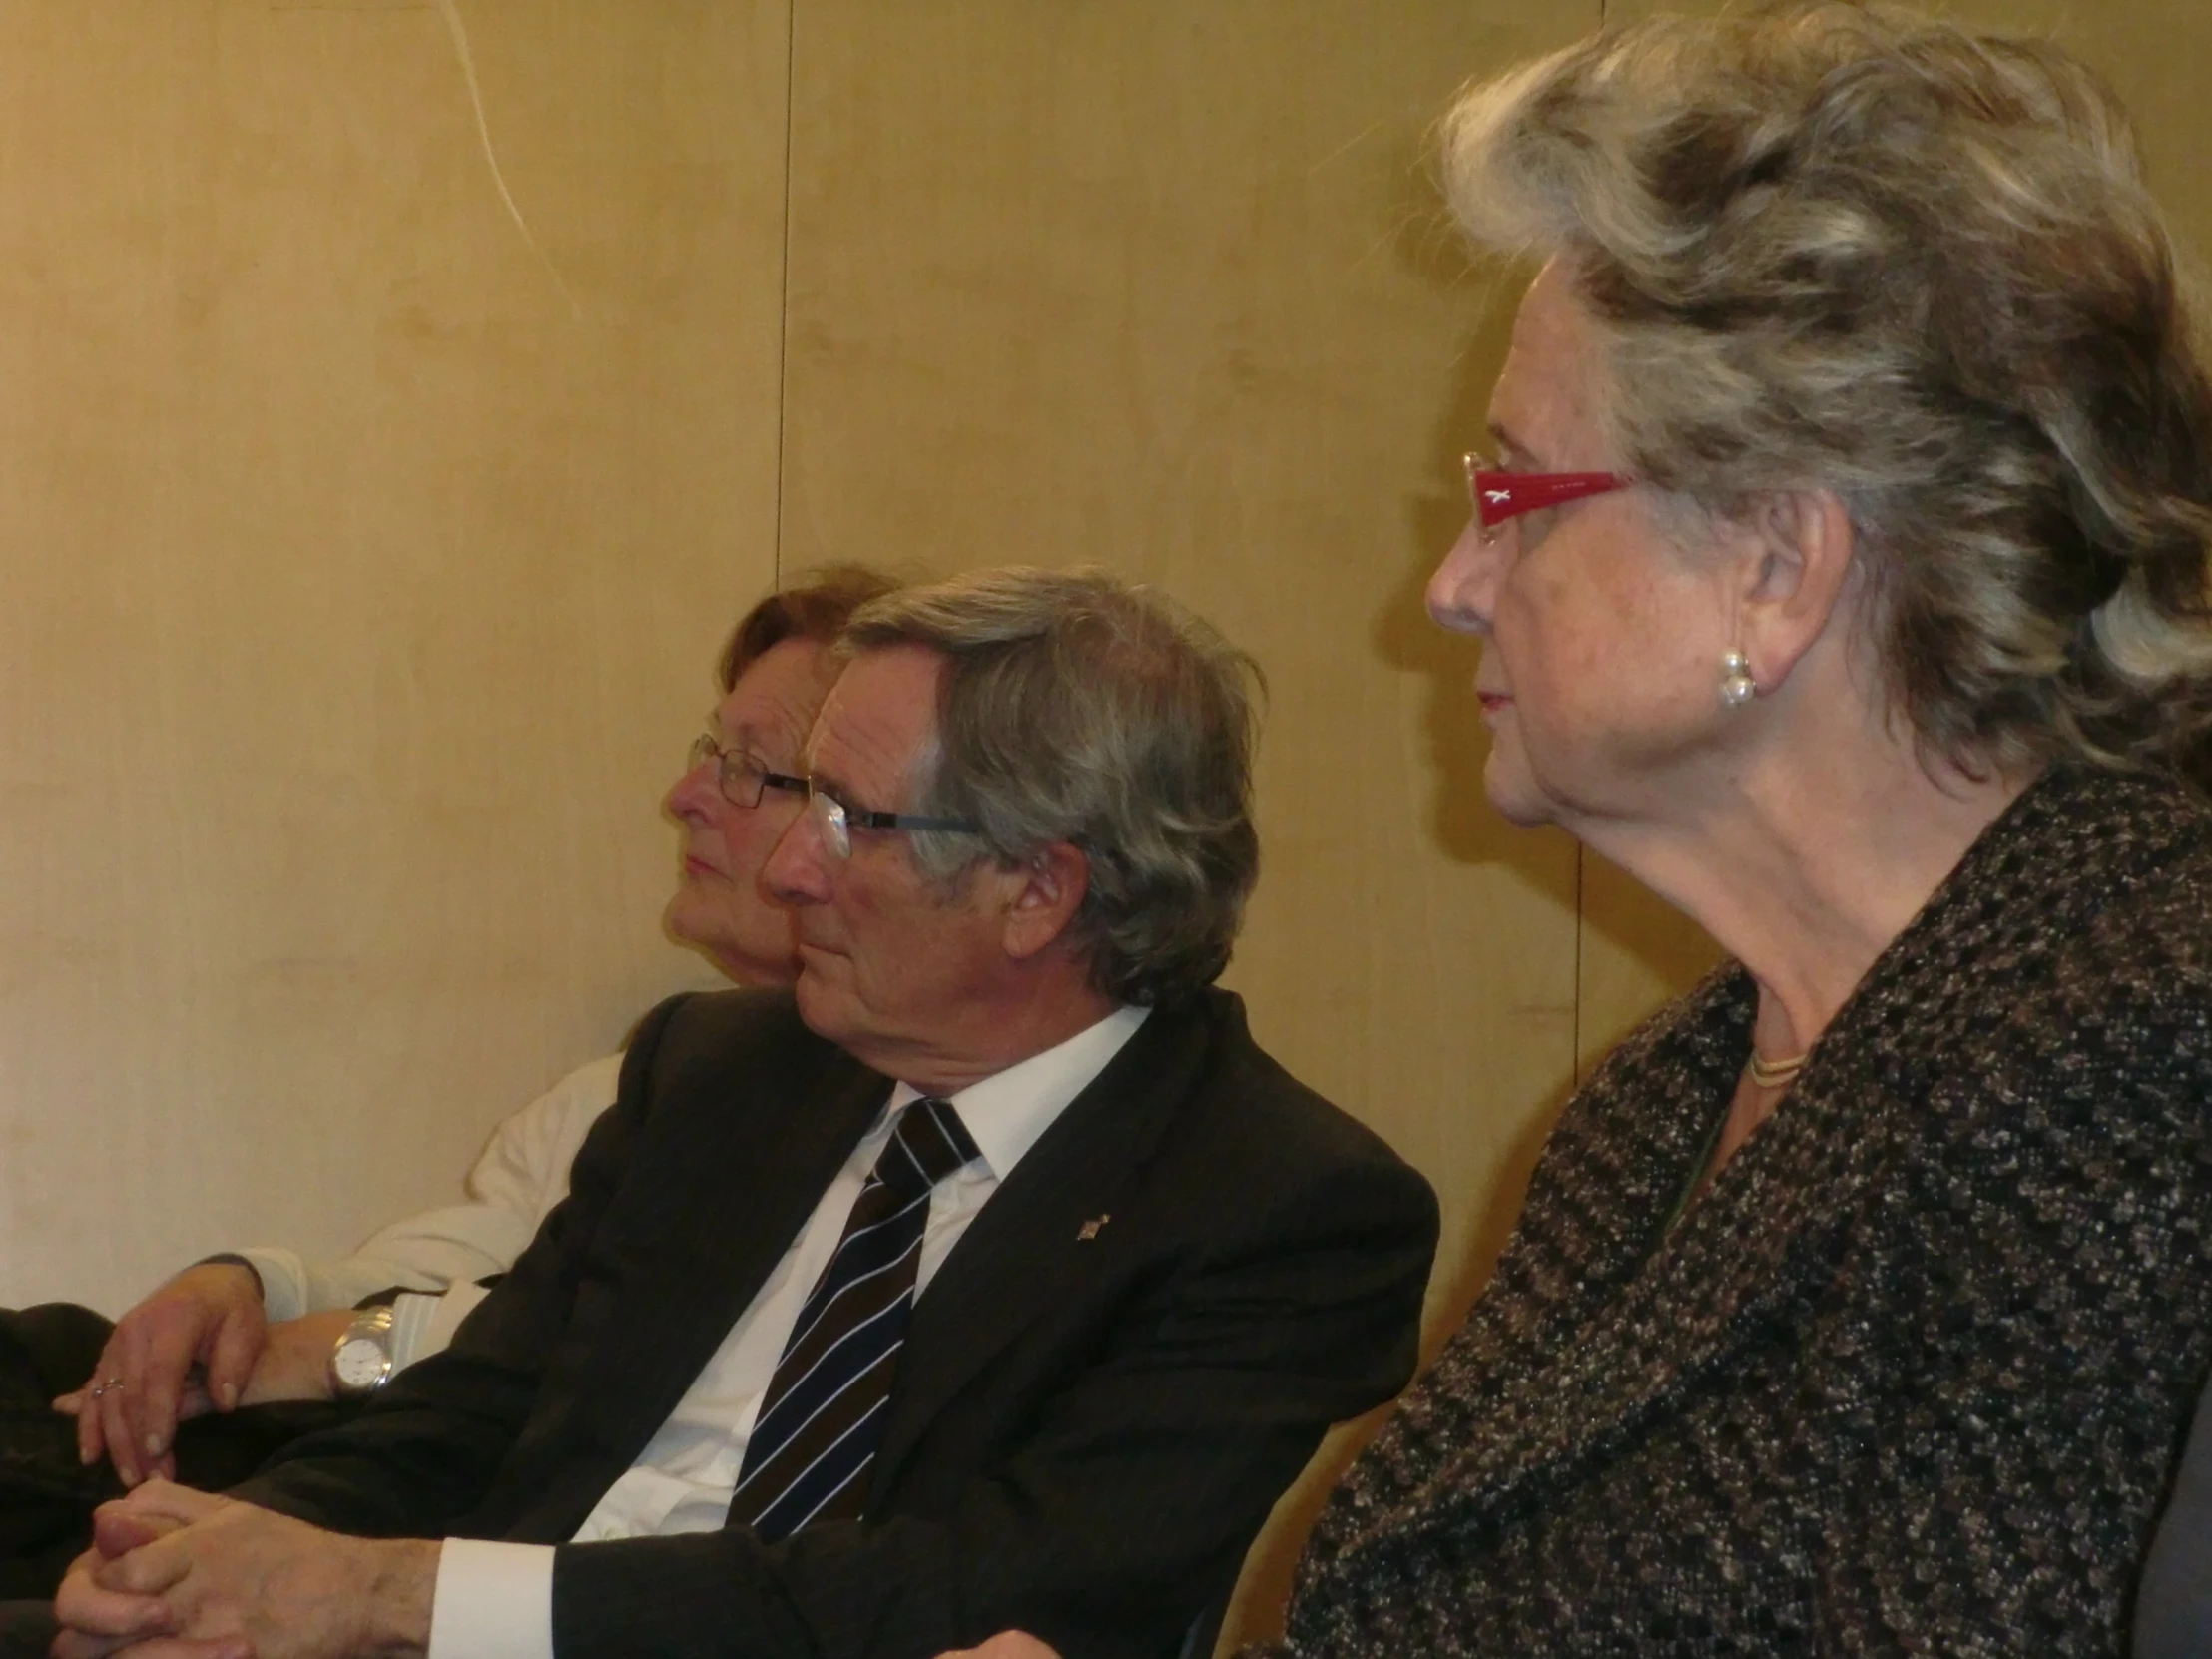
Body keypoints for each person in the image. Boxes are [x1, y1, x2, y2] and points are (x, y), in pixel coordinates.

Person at [944, 8, 2212, 1658]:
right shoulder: (1666, 1099)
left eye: (1515, 497)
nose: (1452, 590)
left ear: (1776, 560)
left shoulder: (2136, 1040)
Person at [48, 566, 1440, 1659]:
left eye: (849, 820)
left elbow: (960, 1593)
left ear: (1040, 891)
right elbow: (472, 1415)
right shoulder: (720, 1074)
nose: (784, 868)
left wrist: (391, 1598)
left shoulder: (1280, 1208)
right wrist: (207, 1567)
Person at [0, 567, 895, 1589]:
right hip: (366, 1458)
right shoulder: (643, 1081)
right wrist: (245, 1286)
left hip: (464, 1515)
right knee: (46, 1362)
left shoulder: (922, 1147)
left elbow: (567, 1360)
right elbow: (442, 1262)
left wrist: (355, 1352)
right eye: (709, 753)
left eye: (747, 769)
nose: (684, 796)